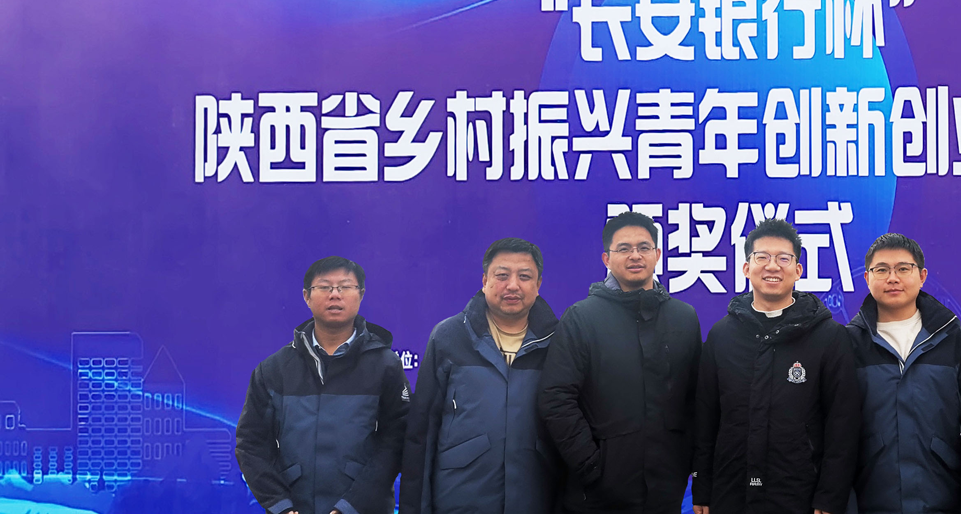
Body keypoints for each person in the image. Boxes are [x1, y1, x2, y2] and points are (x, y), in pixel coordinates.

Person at [692, 218, 862, 514]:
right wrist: (702, 487)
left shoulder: (829, 337)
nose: (772, 266)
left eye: (784, 258)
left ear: (798, 270)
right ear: (747, 268)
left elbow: (843, 425)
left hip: (799, 495)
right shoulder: (721, 336)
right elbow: (706, 419)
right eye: (762, 257)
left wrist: (829, 497)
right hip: (731, 494)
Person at [539, 211, 702, 514]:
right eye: (624, 248)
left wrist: (685, 464)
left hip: (666, 490)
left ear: (657, 255)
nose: (635, 255)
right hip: (597, 495)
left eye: (643, 247)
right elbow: (556, 398)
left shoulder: (684, 317)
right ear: (606, 258)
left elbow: (695, 400)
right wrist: (590, 465)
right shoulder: (582, 317)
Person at [235, 256, 410, 514]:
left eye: (345, 286)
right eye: (325, 287)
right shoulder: (274, 369)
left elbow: (396, 441)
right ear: (306, 296)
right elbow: (251, 444)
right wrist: (281, 506)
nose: (335, 294)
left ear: (361, 294)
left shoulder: (386, 366)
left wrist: (350, 507)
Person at [400, 238, 561, 514]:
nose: (513, 285)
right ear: (485, 280)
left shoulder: (557, 342)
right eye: (502, 275)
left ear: (538, 284)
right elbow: (422, 434)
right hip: (459, 500)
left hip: (535, 499)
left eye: (524, 276)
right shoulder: (449, 337)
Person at [847, 233, 961, 514]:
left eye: (903, 268)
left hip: (942, 495)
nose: (892, 278)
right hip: (871, 497)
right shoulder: (849, 343)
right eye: (882, 270)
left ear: (921, 276)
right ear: (867, 278)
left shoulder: (950, 338)